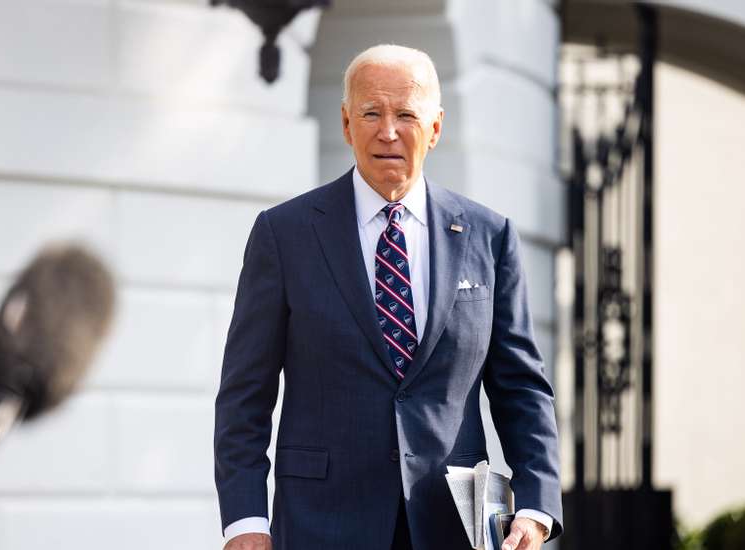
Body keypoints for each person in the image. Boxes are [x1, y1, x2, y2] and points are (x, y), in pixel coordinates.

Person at [213, 44, 562, 550]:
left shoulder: (490, 237)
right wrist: (245, 521)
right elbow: (245, 394)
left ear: (436, 128)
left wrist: (535, 507)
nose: (388, 131)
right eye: (371, 112)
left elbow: (523, 389)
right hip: (319, 525)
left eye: (406, 114)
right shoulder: (283, 234)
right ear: (346, 123)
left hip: (451, 526)